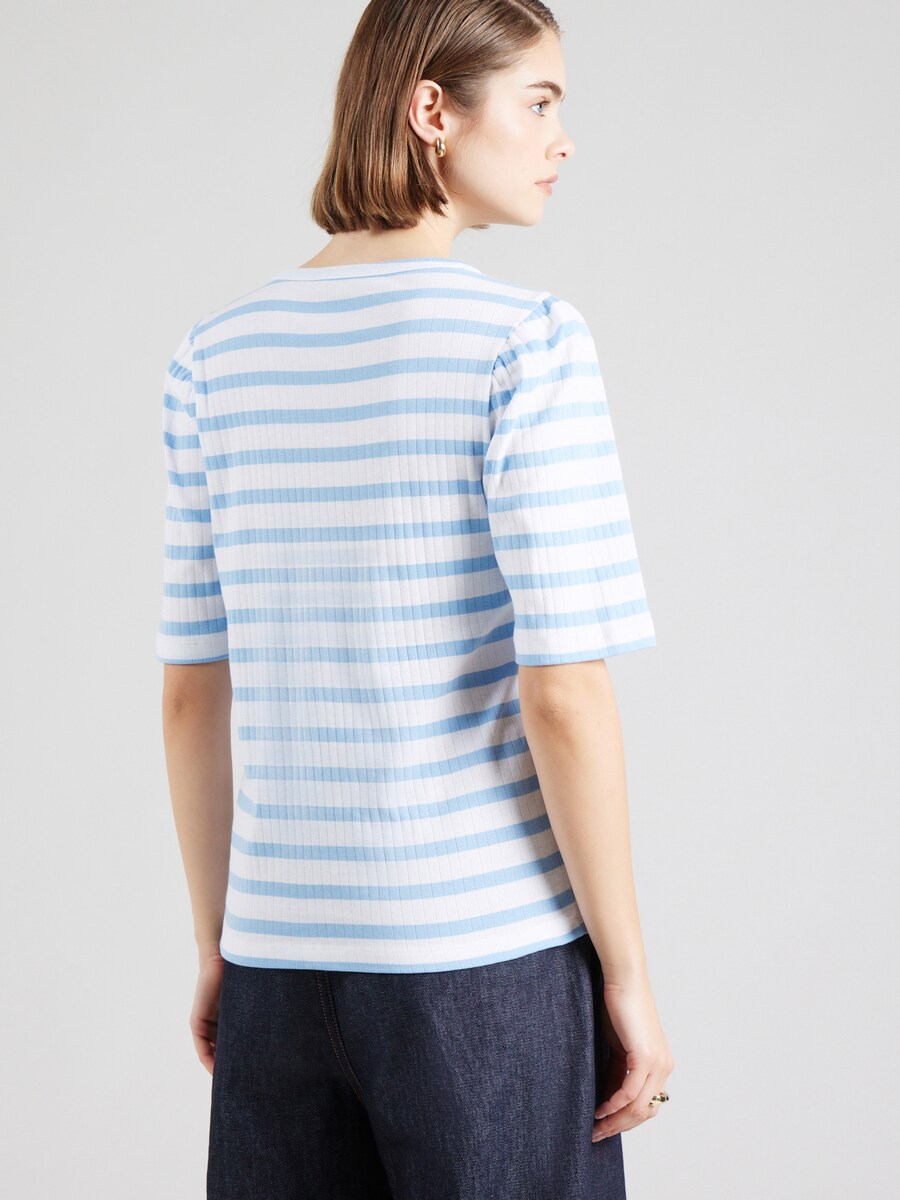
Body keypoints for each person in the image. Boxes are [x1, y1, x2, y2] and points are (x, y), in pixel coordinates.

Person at [156, 1, 674, 1196]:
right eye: (538, 101)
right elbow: (565, 691)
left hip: (277, 967)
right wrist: (628, 976)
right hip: (482, 967)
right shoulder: (525, 343)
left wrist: (218, 941)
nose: (562, 137)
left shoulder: (212, 357)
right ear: (433, 110)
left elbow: (190, 695)